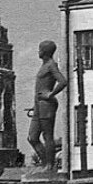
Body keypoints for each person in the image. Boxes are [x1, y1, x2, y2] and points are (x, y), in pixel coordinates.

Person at [28, 40, 67, 168]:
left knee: (47, 135)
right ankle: (45, 163)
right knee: (32, 137)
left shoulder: (51, 65)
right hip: (39, 105)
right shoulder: (44, 65)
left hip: (47, 104)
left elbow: (62, 81)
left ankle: (50, 165)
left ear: (45, 51)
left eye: (40, 49)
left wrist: (50, 94)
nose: (38, 51)